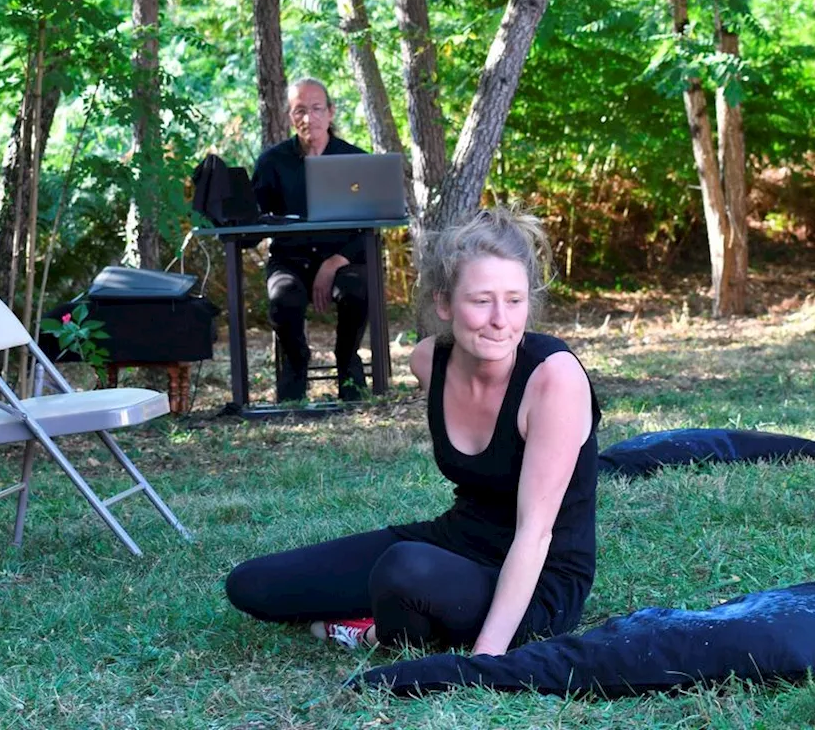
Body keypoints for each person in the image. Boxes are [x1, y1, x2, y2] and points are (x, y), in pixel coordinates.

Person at [225, 207, 600, 655]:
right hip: (455, 544)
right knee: (253, 585)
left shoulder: (553, 379)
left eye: (515, 300)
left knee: (405, 569)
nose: (501, 319)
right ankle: (407, 612)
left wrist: (488, 657)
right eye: (481, 301)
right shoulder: (428, 361)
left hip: (541, 582)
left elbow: (535, 533)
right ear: (444, 303)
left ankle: (375, 631)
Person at [253, 77, 370, 402]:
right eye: (300, 110)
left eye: (317, 109)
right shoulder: (272, 163)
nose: (309, 118)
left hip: (343, 259)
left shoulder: (356, 161)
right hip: (291, 261)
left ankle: (347, 362)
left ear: (330, 112)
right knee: (282, 299)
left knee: (358, 290)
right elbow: (251, 220)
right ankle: (296, 363)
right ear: (291, 116)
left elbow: (370, 229)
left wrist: (334, 262)